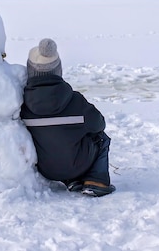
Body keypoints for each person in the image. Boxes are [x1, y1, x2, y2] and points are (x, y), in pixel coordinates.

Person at [20, 38, 116, 197]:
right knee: (100, 138)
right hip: (78, 163)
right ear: (58, 70)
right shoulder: (75, 101)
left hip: (46, 170)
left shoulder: (22, 105)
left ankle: (73, 180)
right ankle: (97, 181)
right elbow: (99, 124)